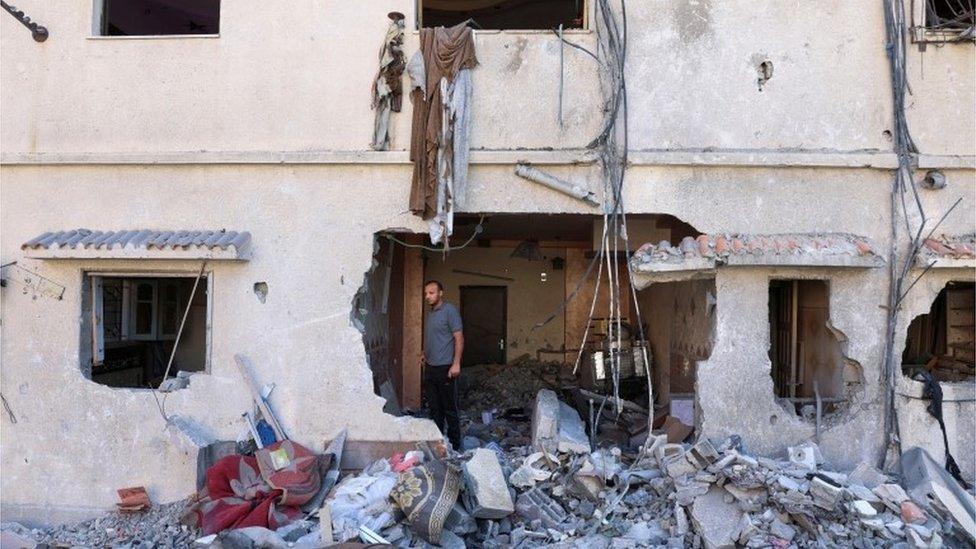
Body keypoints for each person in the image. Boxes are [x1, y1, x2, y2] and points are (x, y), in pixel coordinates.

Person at [421, 280, 463, 450]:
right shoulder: (431, 313)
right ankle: (439, 445)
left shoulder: (450, 311)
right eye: (426, 293)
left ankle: (455, 445)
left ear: (440, 293)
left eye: (431, 293)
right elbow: (435, 338)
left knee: (449, 409)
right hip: (431, 367)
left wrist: (456, 363)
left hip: (446, 367)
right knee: (434, 409)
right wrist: (425, 354)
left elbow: (459, 338)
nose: (427, 296)